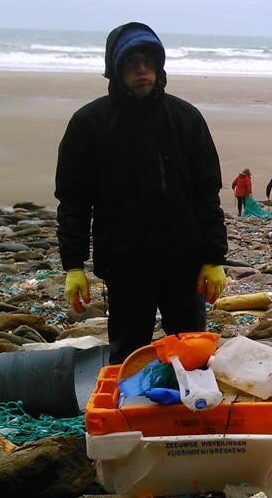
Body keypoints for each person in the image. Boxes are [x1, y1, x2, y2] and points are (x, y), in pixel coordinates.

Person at [55, 21, 228, 364]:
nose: (142, 70)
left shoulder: (186, 119)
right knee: (128, 357)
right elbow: (73, 200)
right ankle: (129, 417)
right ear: (116, 70)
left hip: (183, 264)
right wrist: (73, 265)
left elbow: (207, 193)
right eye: (132, 63)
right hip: (124, 266)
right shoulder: (89, 124)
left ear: (159, 66)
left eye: (148, 61)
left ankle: (189, 416)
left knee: (192, 353)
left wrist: (213, 258)